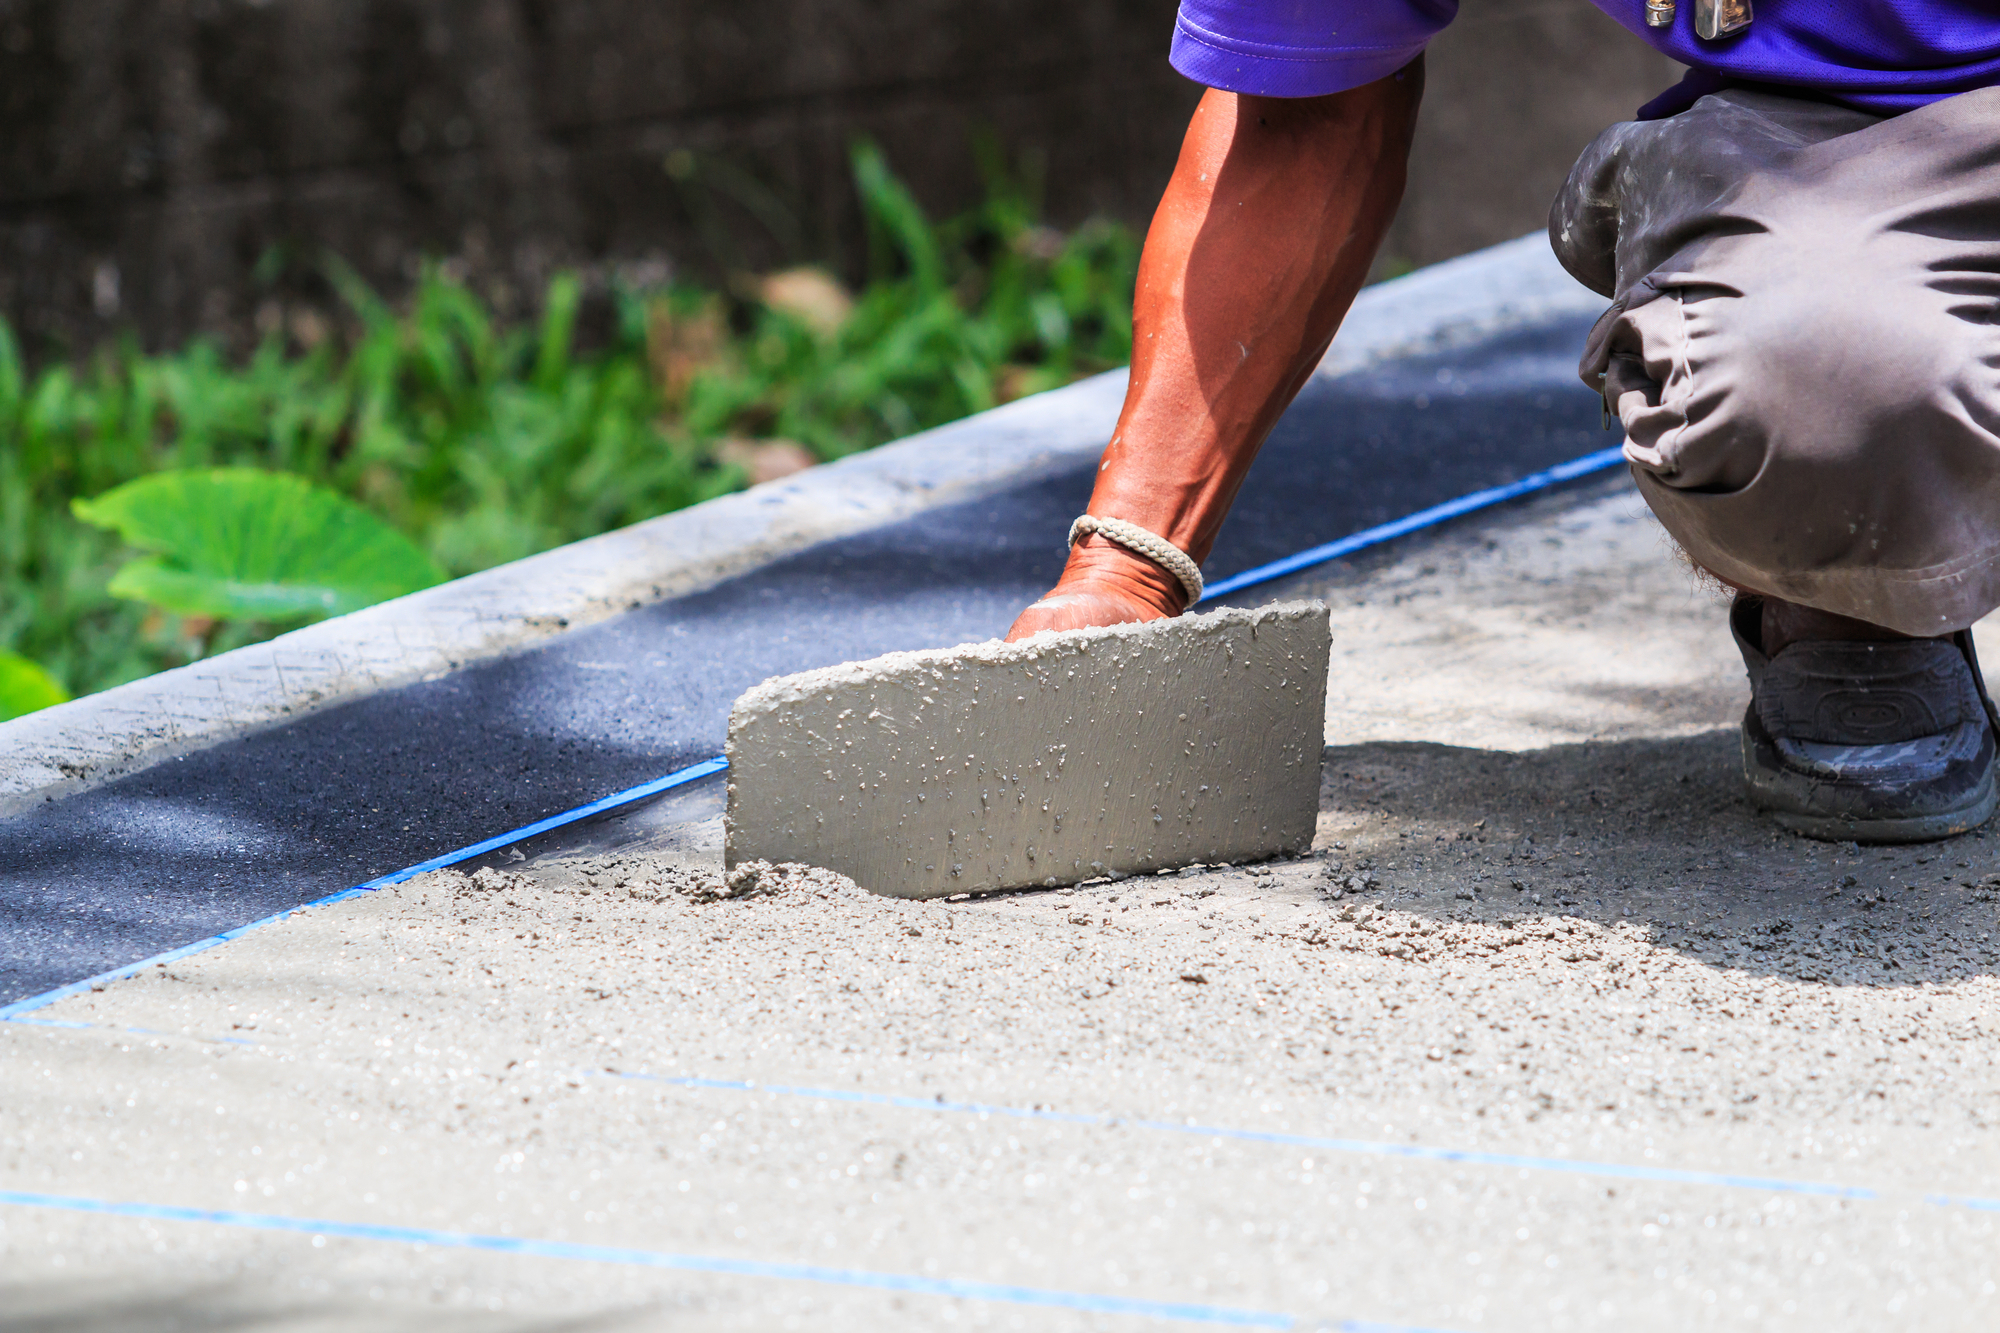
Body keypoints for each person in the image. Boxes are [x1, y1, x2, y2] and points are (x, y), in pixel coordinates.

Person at [1005, 2, 2000, 845]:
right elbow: (1300, 105)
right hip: (1869, 150)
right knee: (1805, 389)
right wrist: (1127, 568)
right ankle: (1861, 601)